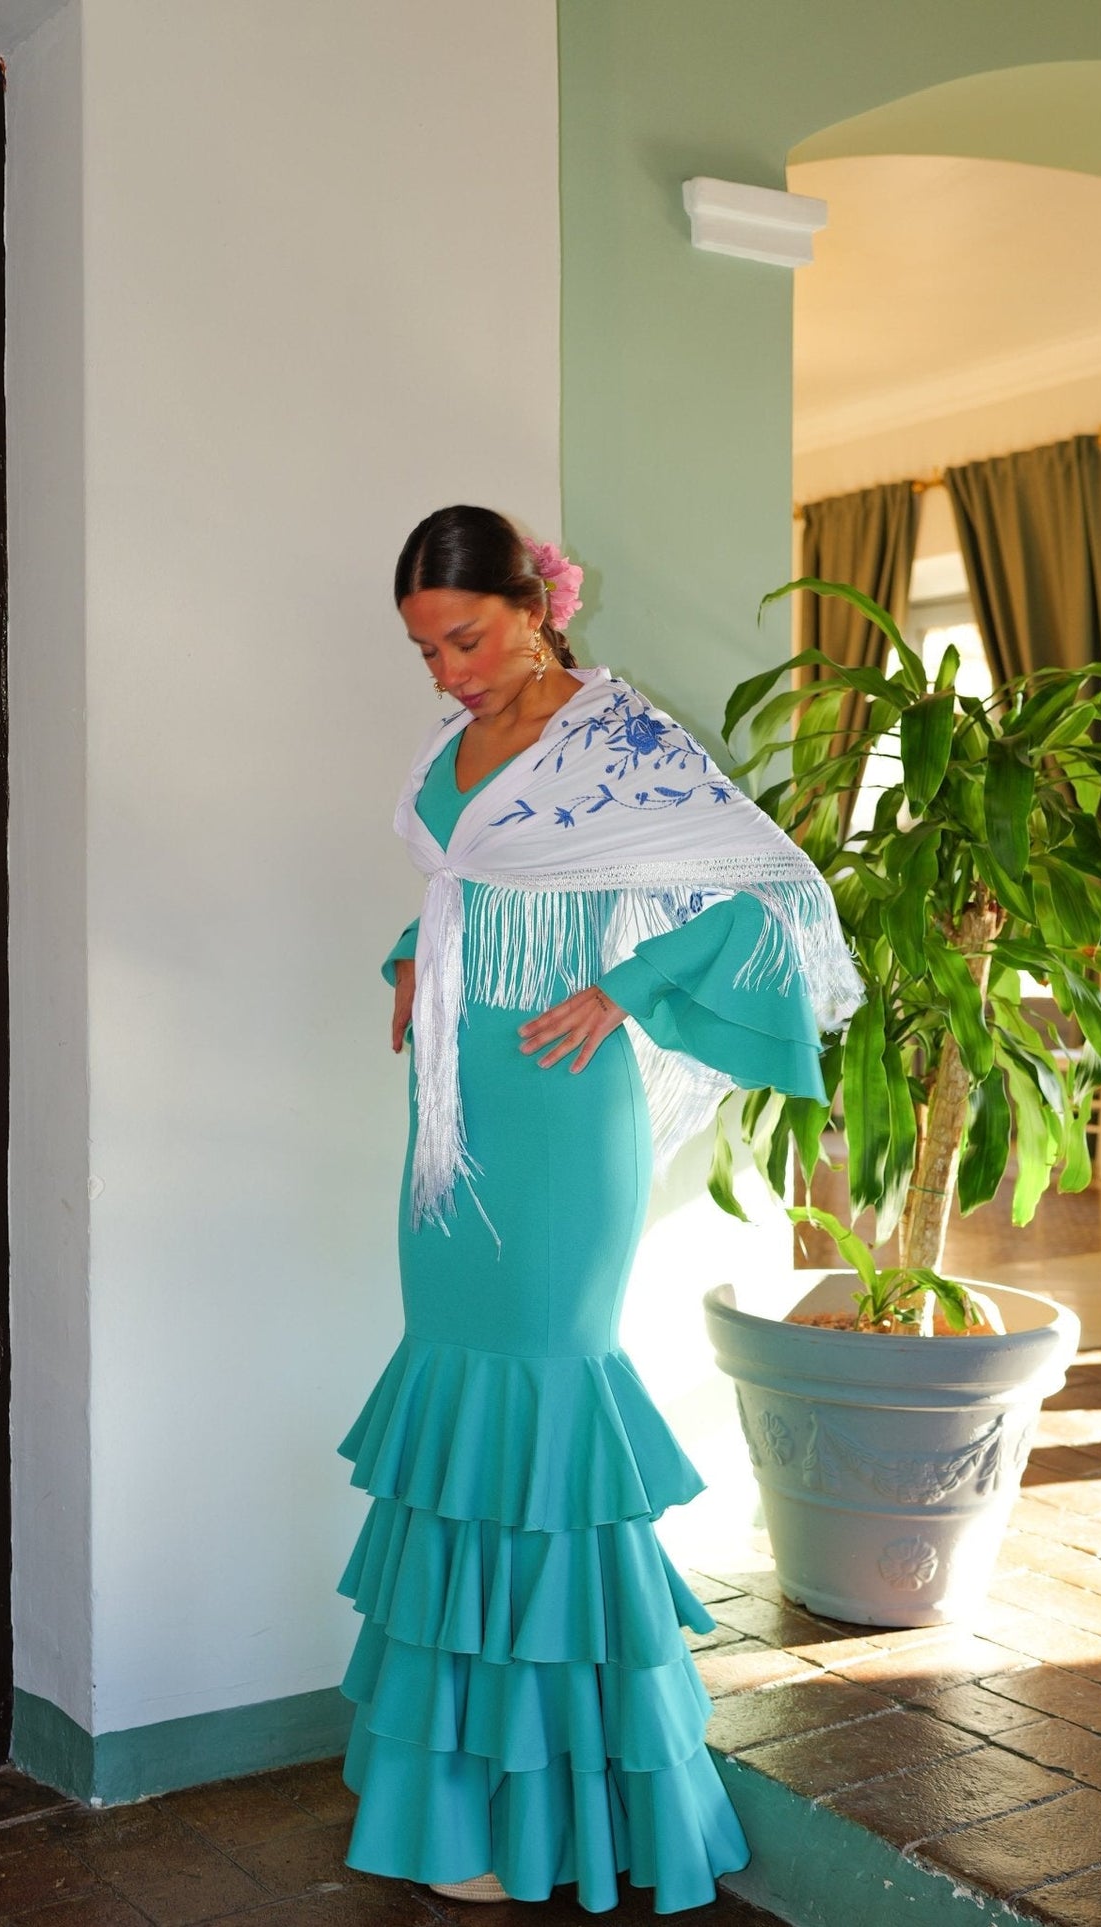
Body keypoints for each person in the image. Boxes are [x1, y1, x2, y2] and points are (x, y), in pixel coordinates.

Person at [336, 505, 861, 1913]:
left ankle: (563, 1810)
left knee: (547, 1424)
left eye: (467, 636)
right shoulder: (457, 749)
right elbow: (461, 885)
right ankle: (460, 1813)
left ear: (533, 606)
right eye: (423, 649)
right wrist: (408, 955)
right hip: (451, 1124)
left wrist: (624, 988)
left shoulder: (617, 741)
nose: (445, 671)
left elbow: (765, 894)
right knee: (458, 1426)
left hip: (564, 1123)